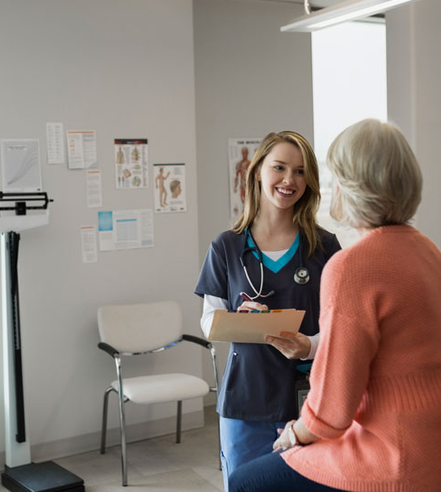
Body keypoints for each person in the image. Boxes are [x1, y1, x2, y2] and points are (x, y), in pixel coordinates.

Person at [229, 119, 441, 492]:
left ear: (351, 188)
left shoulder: (351, 267)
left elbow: (331, 412)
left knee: (246, 481)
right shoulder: (432, 254)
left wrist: (294, 433)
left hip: (410, 461)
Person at [195, 131, 341, 491]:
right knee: (246, 484)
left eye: (300, 172)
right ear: (258, 171)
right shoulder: (227, 247)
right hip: (247, 399)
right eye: (279, 167)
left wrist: (310, 344)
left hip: (311, 401)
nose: (289, 180)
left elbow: (345, 327)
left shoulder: (324, 247)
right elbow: (209, 320)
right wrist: (239, 321)